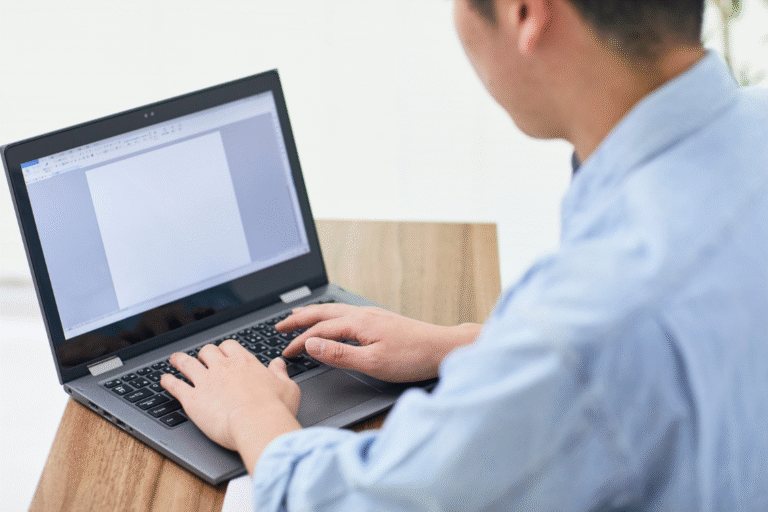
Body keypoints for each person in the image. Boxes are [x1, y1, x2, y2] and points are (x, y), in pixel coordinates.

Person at [160, 0, 768, 509]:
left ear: (526, 13)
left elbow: (356, 503)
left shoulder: (591, 318)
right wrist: (465, 345)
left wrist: (251, 414)